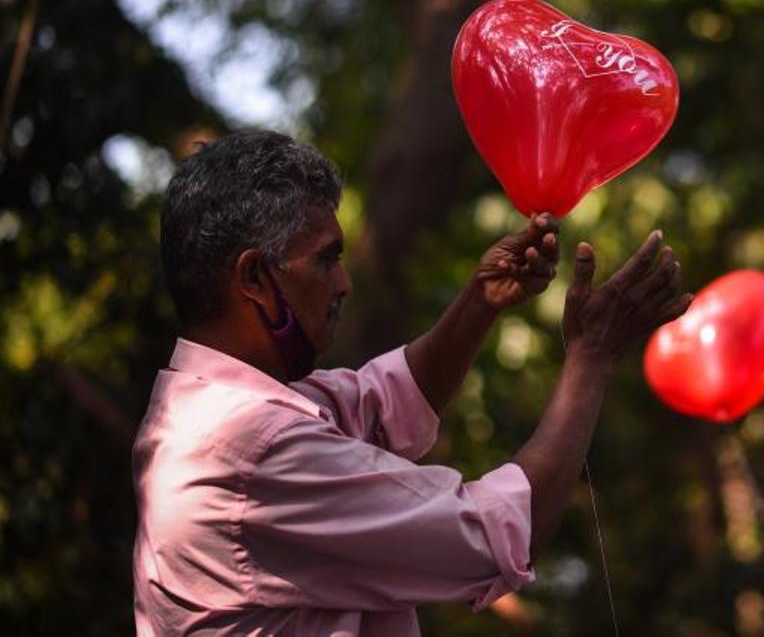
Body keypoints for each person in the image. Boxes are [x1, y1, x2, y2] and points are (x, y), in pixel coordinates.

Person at [133, 130, 691, 635]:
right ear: (254, 277)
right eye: (326, 261)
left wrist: (481, 300)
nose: (344, 282)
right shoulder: (249, 449)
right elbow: (493, 534)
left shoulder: (209, 411)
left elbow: (381, 402)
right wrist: (592, 358)